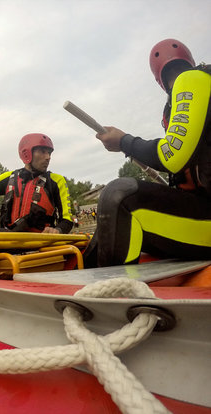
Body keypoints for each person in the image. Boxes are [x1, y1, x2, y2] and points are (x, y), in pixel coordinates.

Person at [84, 38, 211, 267]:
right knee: (111, 223)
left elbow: (172, 155)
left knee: (120, 195)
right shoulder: (197, 95)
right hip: (201, 213)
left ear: (159, 80)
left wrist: (123, 141)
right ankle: (81, 273)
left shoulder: (193, 79)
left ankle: (110, 294)